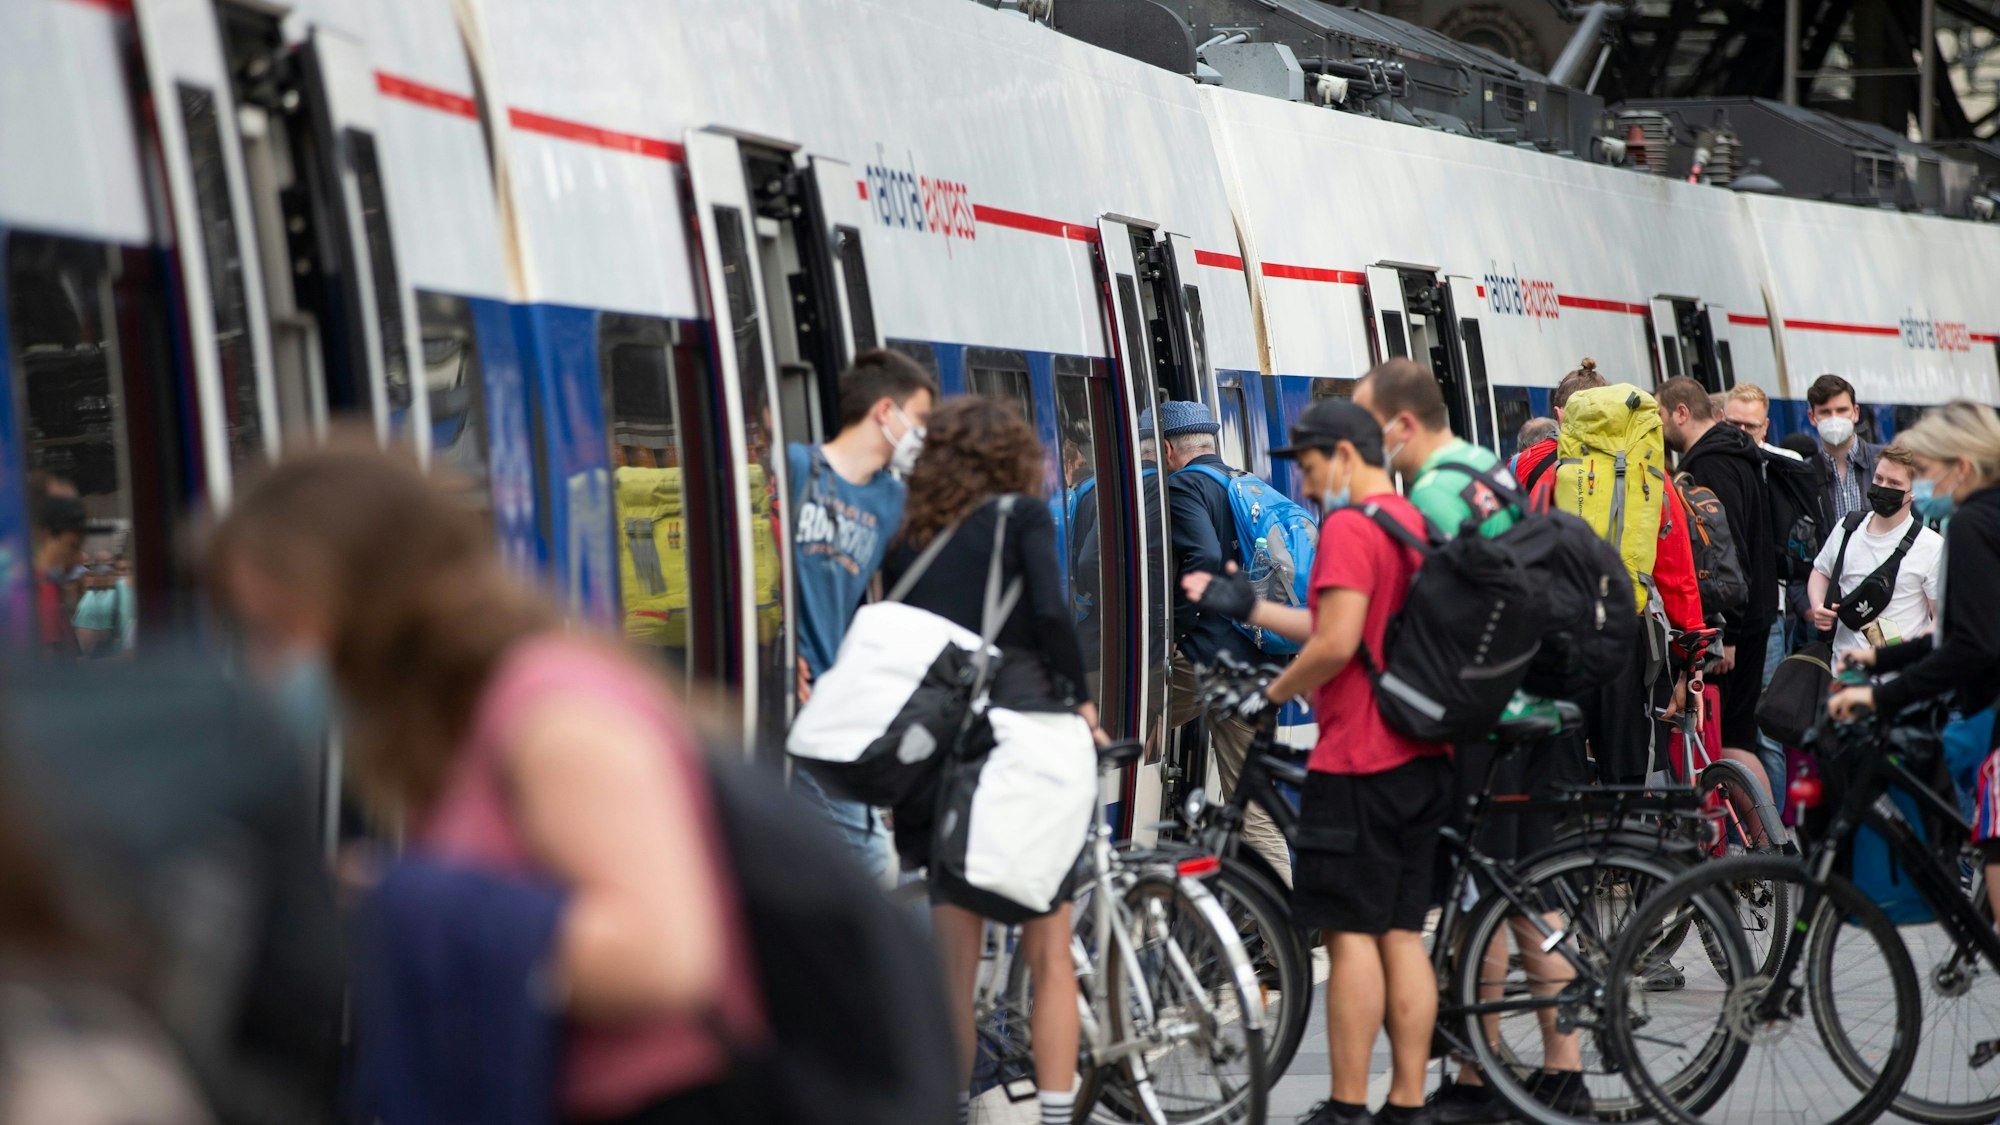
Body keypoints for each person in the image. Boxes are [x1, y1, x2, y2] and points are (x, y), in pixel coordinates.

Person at [206, 446, 761, 1125]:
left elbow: (661, 957)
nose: (265, 664)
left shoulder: (552, 716)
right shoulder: (466, 723)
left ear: (365, 600)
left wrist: (400, 900)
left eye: (279, 627)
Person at [1355, 359, 1594, 1116]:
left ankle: (1508, 1069)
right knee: (1512, 888)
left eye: (1370, 425)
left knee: (1499, 889)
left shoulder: (1430, 492)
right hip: (1524, 700)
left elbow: (1442, 612)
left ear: (1402, 424)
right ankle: (1523, 1068)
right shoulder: (1482, 463)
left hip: (1489, 713)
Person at [1219, 399, 1450, 1125]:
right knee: (1404, 933)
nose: (1310, 488)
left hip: (1359, 758)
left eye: (1314, 469)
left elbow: (1336, 641)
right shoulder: (1413, 523)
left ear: (1347, 457)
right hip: (1421, 755)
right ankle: (1407, 1100)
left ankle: (1349, 1104)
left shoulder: (1351, 527)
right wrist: (1252, 609)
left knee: (1351, 936)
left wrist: (1272, 688)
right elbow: (1343, 623)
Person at [878, 397, 1100, 1125]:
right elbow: (1053, 615)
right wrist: (1081, 702)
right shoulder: (1021, 517)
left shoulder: (908, 531)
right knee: (1050, 953)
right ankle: (1058, 1114)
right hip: (1028, 734)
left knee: (953, 968)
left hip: (947, 751)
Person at [1829, 402, 2000, 925]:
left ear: (1962, 467)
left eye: (1924, 473)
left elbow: (1970, 646)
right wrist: (1882, 656)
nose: (1918, 487)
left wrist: (1880, 694)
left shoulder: (1971, 524)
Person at [1516, 361, 1705, 789]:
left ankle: (1568, 849)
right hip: (1630, 637)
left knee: (1560, 775)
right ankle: (1629, 849)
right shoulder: (1651, 479)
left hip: (1558, 637)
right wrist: (1691, 652)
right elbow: (1676, 572)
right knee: (1631, 773)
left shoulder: (1538, 472)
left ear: (1563, 417)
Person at [787, 349, 937, 881]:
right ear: (884, 412)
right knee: (871, 865)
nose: (921, 434)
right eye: (918, 420)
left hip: (834, 705)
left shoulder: (892, 503)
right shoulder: (794, 469)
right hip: (788, 699)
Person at [1160, 399, 1294, 883]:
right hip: (1258, 658)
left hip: (1210, 660)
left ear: (1171, 449)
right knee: (1253, 800)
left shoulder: (1182, 485)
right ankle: (1273, 932)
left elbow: (1205, 556)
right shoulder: (1243, 481)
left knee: (1122, 722)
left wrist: (1178, 625)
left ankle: (1284, 933)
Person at [1660, 377, 1779, 800]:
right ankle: (1767, 847)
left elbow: (1729, 552)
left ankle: (1766, 848)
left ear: (1681, 412)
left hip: (1737, 623)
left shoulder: (1709, 466)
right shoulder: (1739, 453)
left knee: (1731, 743)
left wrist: (1726, 634)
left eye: (1660, 415)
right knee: (1740, 737)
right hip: (1759, 609)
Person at [1807, 443, 1940, 653]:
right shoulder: (1847, 528)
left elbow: (1941, 617)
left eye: (1894, 483)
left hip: (1899, 677)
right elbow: (1821, 571)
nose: (1883, 487)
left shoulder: (1931, 546)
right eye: (1879, 479)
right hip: (1846, 672)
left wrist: (1910, 650)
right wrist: (1817, 606)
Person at [1807, 374, 1884, 525]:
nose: (1834, 418)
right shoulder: (1806, 473)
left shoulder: (1883, 462)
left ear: (1856, 412)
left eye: (1842, 410)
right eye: (1825, 412)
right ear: (1812, 417)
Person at [33, 491, 86, 659]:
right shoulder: (45, 589)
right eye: (72, 546)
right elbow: (51, 656)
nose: (78, 558)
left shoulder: (47, 584)